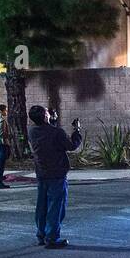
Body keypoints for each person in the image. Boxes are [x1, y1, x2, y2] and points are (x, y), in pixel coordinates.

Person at [29, 105, 82, 249]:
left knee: (42, 205)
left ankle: (41, 234)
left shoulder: (32, 131)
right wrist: (77, 131)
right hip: (57, 173)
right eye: (47, 112)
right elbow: (71, 145)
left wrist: (51, 121)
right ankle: (52, 237)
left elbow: (48, 135)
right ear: (45, 116)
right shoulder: (56, 132)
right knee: (56, 207)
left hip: (42, 172)